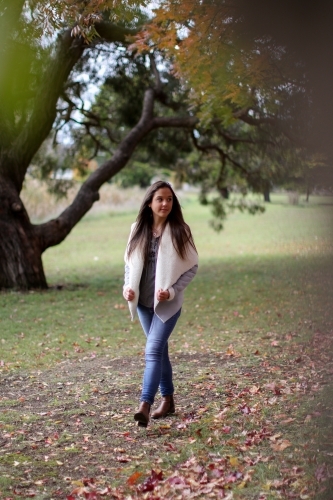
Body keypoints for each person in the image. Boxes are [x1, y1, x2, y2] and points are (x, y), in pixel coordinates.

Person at [123, 180, 198, 427]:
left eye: (169, 199)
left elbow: (192, 266)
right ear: (149, 203)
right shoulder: (137, 229)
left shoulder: (180, 230)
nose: (165, 203)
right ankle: (168, 400)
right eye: (160, 199)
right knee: (160, 350)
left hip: (167, 306)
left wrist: (173, 292)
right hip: (143, 304)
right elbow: (129, 264)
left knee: (153, 350)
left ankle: (144, 405)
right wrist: (127, 287)